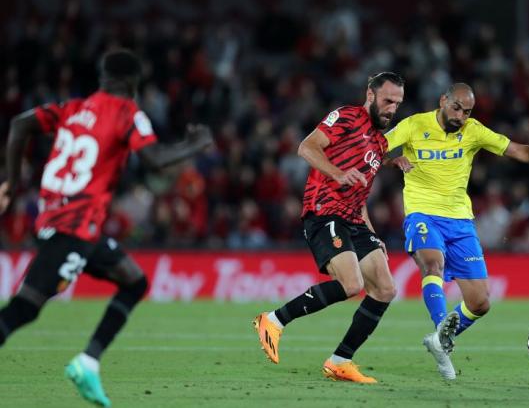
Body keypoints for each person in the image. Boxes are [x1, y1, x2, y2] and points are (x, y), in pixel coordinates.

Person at [0, 49, 213, 407]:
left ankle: (87, 362)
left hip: (75, 226)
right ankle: (86, 363)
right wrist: (195, 144)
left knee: (134, 281)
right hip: (73, 227)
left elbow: (20, 124)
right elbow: (155, 160)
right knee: (26, 307)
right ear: (133, 84)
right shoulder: (127, 112)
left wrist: (12, 182)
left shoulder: (71, 109)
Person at [386, 83, 529, 380]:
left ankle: (439, 341)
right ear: (443, 101)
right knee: (432, 263)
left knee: (480, 302)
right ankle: (441, 329)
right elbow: (372, 149)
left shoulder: (473, 130)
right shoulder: (414, 125)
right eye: (456, 108)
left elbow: (518, 151)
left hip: (461, 221)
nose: (461, 116)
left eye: (467, 111)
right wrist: (392, 159)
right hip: (422, 213)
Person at [253, 72, 404, 383]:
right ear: (371, 95)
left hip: (353, 219)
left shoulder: (380, 142)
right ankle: (273, 320)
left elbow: (360, 196)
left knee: (386, 289)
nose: (392, 108)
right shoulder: (347, 116)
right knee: (351, 285)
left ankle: (340, 361)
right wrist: (337, 173)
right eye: (388, 100)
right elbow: (306, 148)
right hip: (325, 212)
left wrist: (373, 234)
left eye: (398, 103)